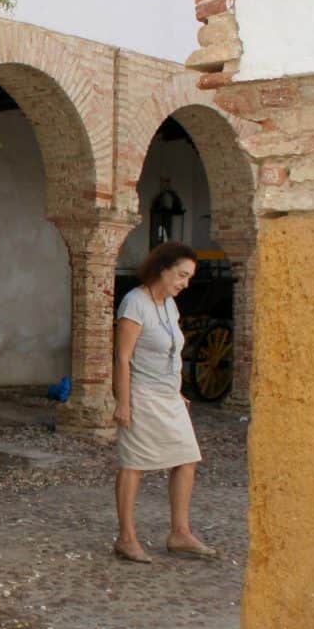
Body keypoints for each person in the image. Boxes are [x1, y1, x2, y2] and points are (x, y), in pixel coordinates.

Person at [112, 240, 216, 562]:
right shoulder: (135, 303)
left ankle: (179, 533)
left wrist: (177, 389)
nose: (185, 283)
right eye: (181, 275)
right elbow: (122, 358)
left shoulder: (170, 304)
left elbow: (172, 351)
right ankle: (126, 538)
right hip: (141, 394)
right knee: (134, 464)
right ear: (163, 269)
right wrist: (123, 402)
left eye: (188, 277)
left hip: (168, 396)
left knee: (186, 458)